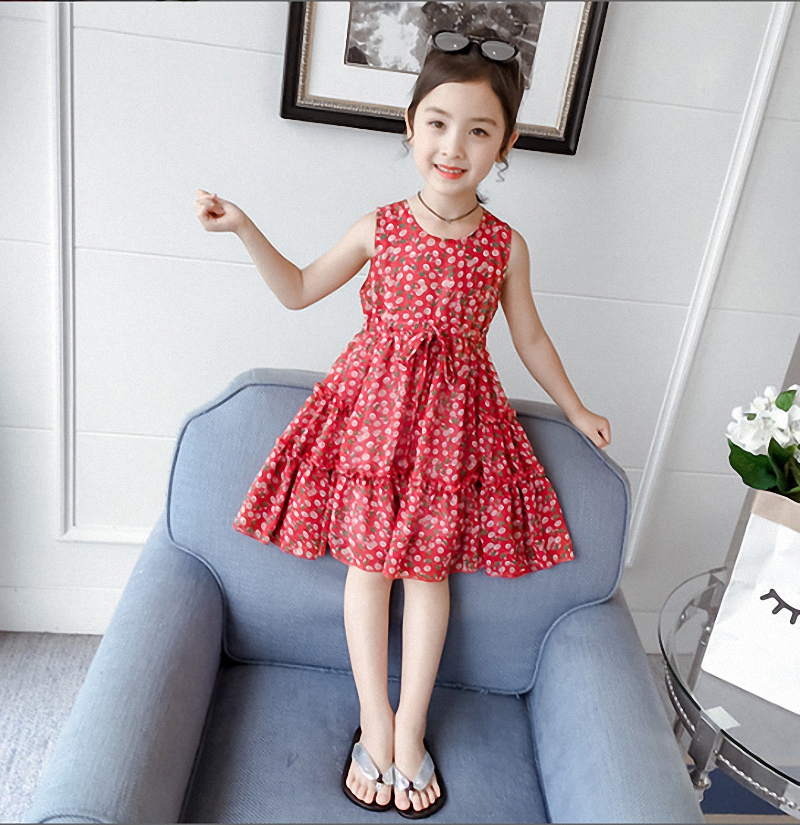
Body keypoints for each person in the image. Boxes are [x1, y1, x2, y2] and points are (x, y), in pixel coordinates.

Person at [195, 29, 610, 819]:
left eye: (479, 131)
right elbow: (298, 289)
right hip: (371, 428)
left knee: (428, 576)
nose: (454, 146)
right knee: (368, 571)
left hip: (453, 436)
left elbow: (529, 337)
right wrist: (245, 227)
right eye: (439, 123)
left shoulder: (505, 247)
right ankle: (375, 719)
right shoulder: (379, 226)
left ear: (506, 146)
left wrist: (577, 406)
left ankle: (411, 726)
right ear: (411, 125)